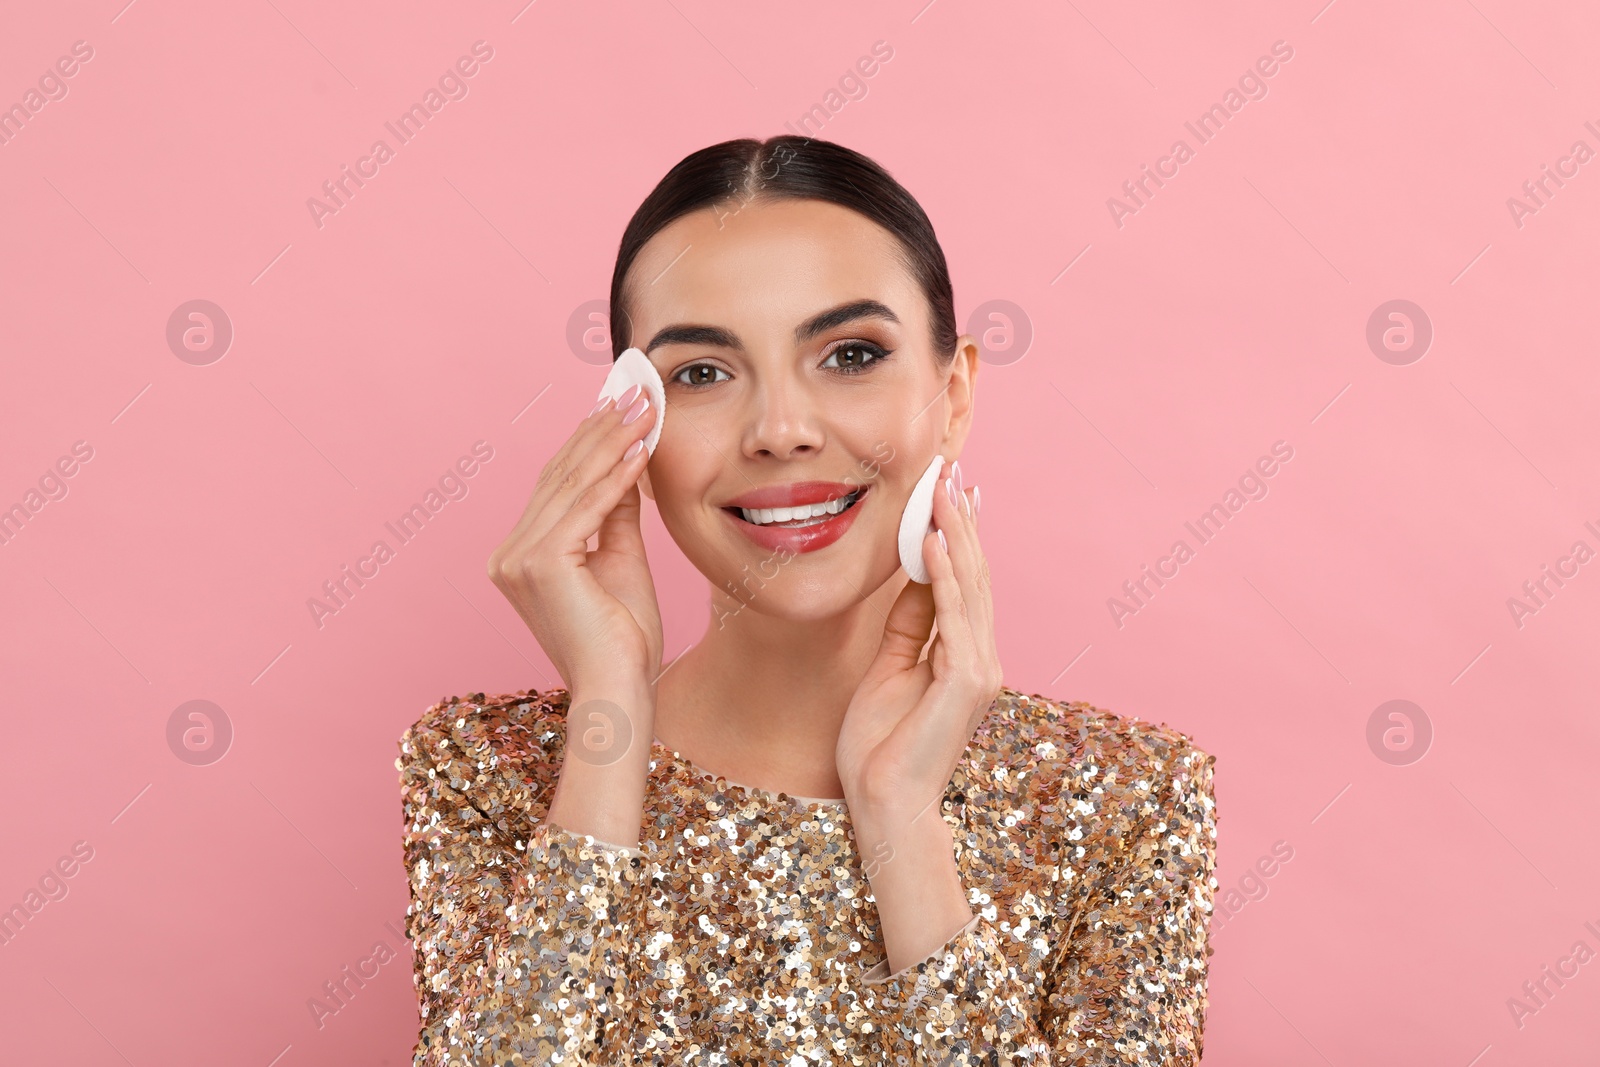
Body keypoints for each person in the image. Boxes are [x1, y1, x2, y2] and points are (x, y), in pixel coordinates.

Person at [397, 135, 1217, 1064]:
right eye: (701, 372)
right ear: (627, 423)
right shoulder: (490, 771)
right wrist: (611, 716)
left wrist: (901, 819)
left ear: (953, 397)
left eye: (851, 353)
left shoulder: (1128, 802)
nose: (780, 431)